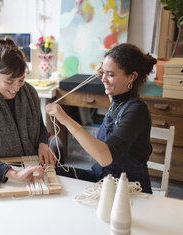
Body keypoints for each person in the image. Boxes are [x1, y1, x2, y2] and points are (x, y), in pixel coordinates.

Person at [46, 43, 157, 193]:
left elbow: (105, 157)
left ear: (131, 77)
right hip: (102, 177)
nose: (104, 79)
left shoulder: (137, 110)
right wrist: (105, 73)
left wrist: (65, 119)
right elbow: (112, 96)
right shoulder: (117, 100)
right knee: (50, 172)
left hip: (127, 188)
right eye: (103, 73)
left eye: (111, 74)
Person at [0, 37, 56, 183]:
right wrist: (15, 174)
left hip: (35, 166)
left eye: (21, 80)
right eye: (10, 81)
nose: (16, 87)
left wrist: (42, 143)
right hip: (3, 171)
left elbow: (40, 127)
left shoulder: (31, 92)